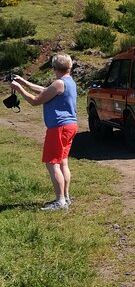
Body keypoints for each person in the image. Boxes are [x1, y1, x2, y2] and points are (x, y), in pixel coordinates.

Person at [9, 54, 78, 211]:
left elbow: (35, 100)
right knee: (63, 162)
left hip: (59, 128)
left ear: (54, 68)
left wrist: (19, 89)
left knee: (52, 163)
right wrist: (23, 81)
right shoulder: (69, 82)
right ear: (70, 66)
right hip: (70, 126)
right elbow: (46, 90)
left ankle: (60, 201)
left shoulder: (59, 83)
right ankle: (66, 197)